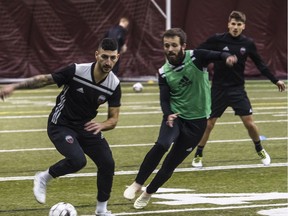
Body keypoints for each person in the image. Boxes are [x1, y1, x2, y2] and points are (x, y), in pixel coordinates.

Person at [0, 38, 121, 216]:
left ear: (117, 57)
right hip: (61, 124)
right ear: (97, 55)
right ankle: (44, 177)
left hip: (86, 127)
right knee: (78, 161)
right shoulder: (77, 71)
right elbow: (44, 80)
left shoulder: (114, 84)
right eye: (104, 57)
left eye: (112, 58)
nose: (108, 62)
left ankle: (101, 211)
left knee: (107, 163)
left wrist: (102, 125)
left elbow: (113, 119)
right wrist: (15, 86)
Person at [123, 28, 237, 209]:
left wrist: (227, 57)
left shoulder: (197, 57)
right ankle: (137, 183)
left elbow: (219, 54)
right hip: (174, 117)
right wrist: (167, 113)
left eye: (174, 45)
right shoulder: (163, 72)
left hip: (197, 122)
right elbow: (164, 98)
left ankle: (148, 192)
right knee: (162, 145)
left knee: (170, 164)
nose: (170, 49)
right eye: (166, 45)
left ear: (183, 46)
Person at [191, 11, 286, 168]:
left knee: (249, 123)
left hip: (237, 89)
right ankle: (198, 154)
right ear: (228, 24)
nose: (235, 27)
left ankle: (260, 149)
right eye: (233, 24)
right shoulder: (217, 39)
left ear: (244, 26)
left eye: (239, 24)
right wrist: (220, 56)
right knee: (208, 124)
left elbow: (260, 64)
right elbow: (199, 52)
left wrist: (275, 80)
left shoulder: (247, 44)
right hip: (218, 89)